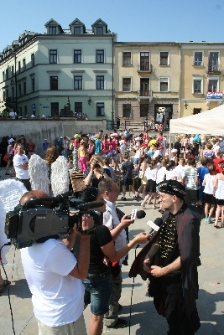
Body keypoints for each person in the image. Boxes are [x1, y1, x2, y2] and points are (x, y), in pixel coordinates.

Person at [130, 180, 201, 335]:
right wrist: (148, 256)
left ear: (174, 198)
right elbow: (158, 240)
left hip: (178, 277)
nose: (159, 199)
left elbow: (187, 256)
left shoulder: (188, 221)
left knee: (177, 313)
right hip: (163, 274)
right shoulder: (167, 214)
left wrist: (164, 271)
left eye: (162, 196)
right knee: (167, 309)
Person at [20, 189, 94, 335]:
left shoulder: (26, 238)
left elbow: (60, 256)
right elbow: (81, 273)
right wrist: (85, 237)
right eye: (51, 207)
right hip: (64, 320)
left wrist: (73, 232)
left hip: (48, 313)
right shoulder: (51, 249)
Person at [79, 187, 150, 335]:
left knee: (79, 306)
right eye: (100, 199)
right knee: (97, 317)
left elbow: (103, 240)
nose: (104, 201)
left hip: (81, 274)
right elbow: (114, 256)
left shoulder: (78, 223)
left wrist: (121, 225)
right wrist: (135, 241)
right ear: (92, 204)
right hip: (99, 276)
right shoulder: (99, 229)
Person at [98, 178, 135, 329]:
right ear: (106, 193)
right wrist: (122, 225)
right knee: (114, 286)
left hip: (116, 256)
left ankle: (113, 306)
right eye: (116, 190)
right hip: (111, 258)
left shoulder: (110, 207)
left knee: (114, 285)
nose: (119, 192)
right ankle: (111, 319)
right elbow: (106, 238)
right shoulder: (105, 211)